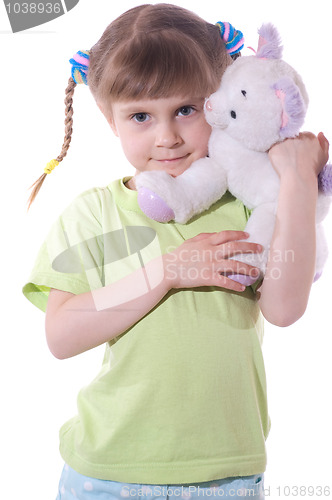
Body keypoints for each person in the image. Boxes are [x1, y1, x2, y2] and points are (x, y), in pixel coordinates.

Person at [23, 4, 329, 500]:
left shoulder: (249, 205)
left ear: (219, 100)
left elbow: (285, 309)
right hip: (106, 471)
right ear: (110, 118)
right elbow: (60, 335)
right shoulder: (95, 212)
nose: (166, 136)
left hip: (226, 473)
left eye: (186, 110)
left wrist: (295, 179)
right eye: (141, 116)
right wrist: (167, 271)